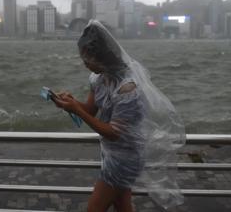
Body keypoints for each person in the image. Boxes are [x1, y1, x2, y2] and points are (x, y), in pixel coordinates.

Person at [53, 20, 185, 211]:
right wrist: (69, 104)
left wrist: (76, 109)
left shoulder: (127, 87)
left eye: (88, 61)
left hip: (126, 157)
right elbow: (90, 110)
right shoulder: (99, 78)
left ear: (102, 57)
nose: (85, 66)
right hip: (110, 152)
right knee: (122, 205)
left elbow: (114, 132)